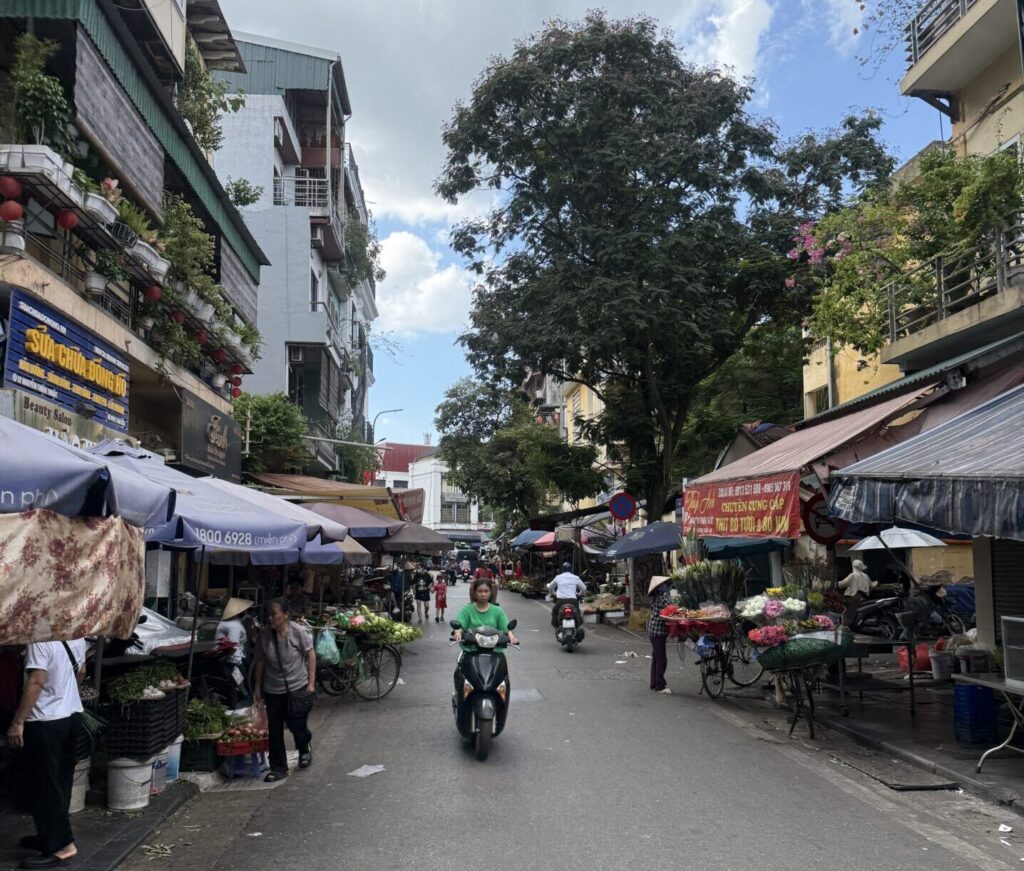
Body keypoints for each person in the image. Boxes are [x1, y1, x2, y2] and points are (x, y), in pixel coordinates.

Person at [7, 637, 86, 869]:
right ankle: (52, 836)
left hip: (45, 721)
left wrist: (19, 720)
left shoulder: (39, 642)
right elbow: (81, 671)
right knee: (60, 781)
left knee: (44, 784)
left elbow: (36, 681)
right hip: (71, 715)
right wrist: (64, 694)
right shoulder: (76, 637)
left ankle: (62, 846)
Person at [253, 599, 315, 782]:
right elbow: (260, 662)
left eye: (274, 614)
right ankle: (278, 768)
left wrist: (311, 683)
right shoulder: (264, 636)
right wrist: (257, 688)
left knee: (298, 725)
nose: (270, 618)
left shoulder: (298, 632)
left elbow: (310, 655)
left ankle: (304, 747)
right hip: (272, 689)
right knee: (274, 729)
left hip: (297, 687)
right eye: (268, 614)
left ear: (286, 615)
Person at [452, 580, 519, 650]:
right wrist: (457, 633)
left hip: (495, 652)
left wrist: (511, 637)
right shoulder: (467, 610)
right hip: (471, 651)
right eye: (480, 591)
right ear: (474, 592)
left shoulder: (498, 611)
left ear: (490, 592)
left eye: (486, 591)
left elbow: (506, 628)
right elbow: (460, 625)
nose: (483, 594)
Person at [647, 576, 674, 694]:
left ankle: (654, 683)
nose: (666, 587)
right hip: (658, 632)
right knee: (662, 660)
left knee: (656, 658)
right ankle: (660, 686)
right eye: (664, 585)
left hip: (653, 630)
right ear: (659, 588)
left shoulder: (655, 597)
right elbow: (673, 608)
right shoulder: (662, 597)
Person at [547, 561, 587, 628]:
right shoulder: (575, 577)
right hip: (573, 601)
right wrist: (580, 594)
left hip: (561, 601)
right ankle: (577, 627)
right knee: (578, 613)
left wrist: (553, 593)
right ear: (571, 569)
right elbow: (584, 589)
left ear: (562, 569)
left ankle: (556, 626)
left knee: (554, 611)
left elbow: (550, 587)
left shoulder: (558, 577)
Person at [214, 598, 252, 666]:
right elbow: (233, 646)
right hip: (233, 661)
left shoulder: (231, 622)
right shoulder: (234, 625)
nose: (246, 611)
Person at [838, 559, 875, 626]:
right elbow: (871, 585)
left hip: (853, 597)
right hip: (863, 597)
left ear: (853, 567)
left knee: (848, 614)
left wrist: (835, 584)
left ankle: (846, 627)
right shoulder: (866, 576)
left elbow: (843, 584)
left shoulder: (853, 575)